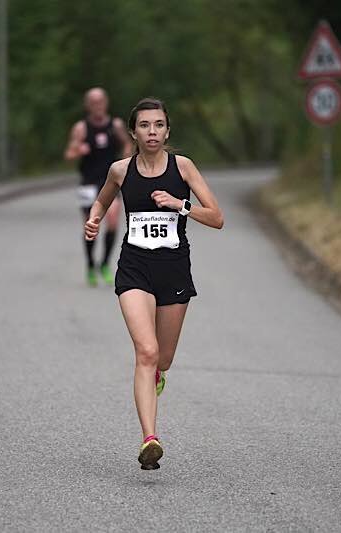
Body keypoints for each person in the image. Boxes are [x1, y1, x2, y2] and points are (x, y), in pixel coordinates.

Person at [84, 97, 224, 469]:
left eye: (159, 125)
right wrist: (95, 220)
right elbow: (101, 202)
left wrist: (180, 205)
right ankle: (149, 440)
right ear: (133, 131)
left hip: (174, 271)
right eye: (145, 125)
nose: (152, 132)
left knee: (162, 358)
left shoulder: (184, 167)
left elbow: (217, 217)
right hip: (134, 269)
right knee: (145, 352)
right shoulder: (120, 170)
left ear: (167, 130)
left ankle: (158, 374)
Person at [64, 87, 132, 286]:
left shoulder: (116, 125)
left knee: (112, 220)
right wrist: (78, 150)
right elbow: (69, 154)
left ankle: (104, 263)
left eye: (101, 101)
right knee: (91, 224)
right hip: (88, 182)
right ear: (87, 106)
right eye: (93, 103)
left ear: (106, 102)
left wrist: (126, 159)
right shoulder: (81, 128)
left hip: (110, 181)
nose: (98, 106)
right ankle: (90, 264)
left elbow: (127, 144)